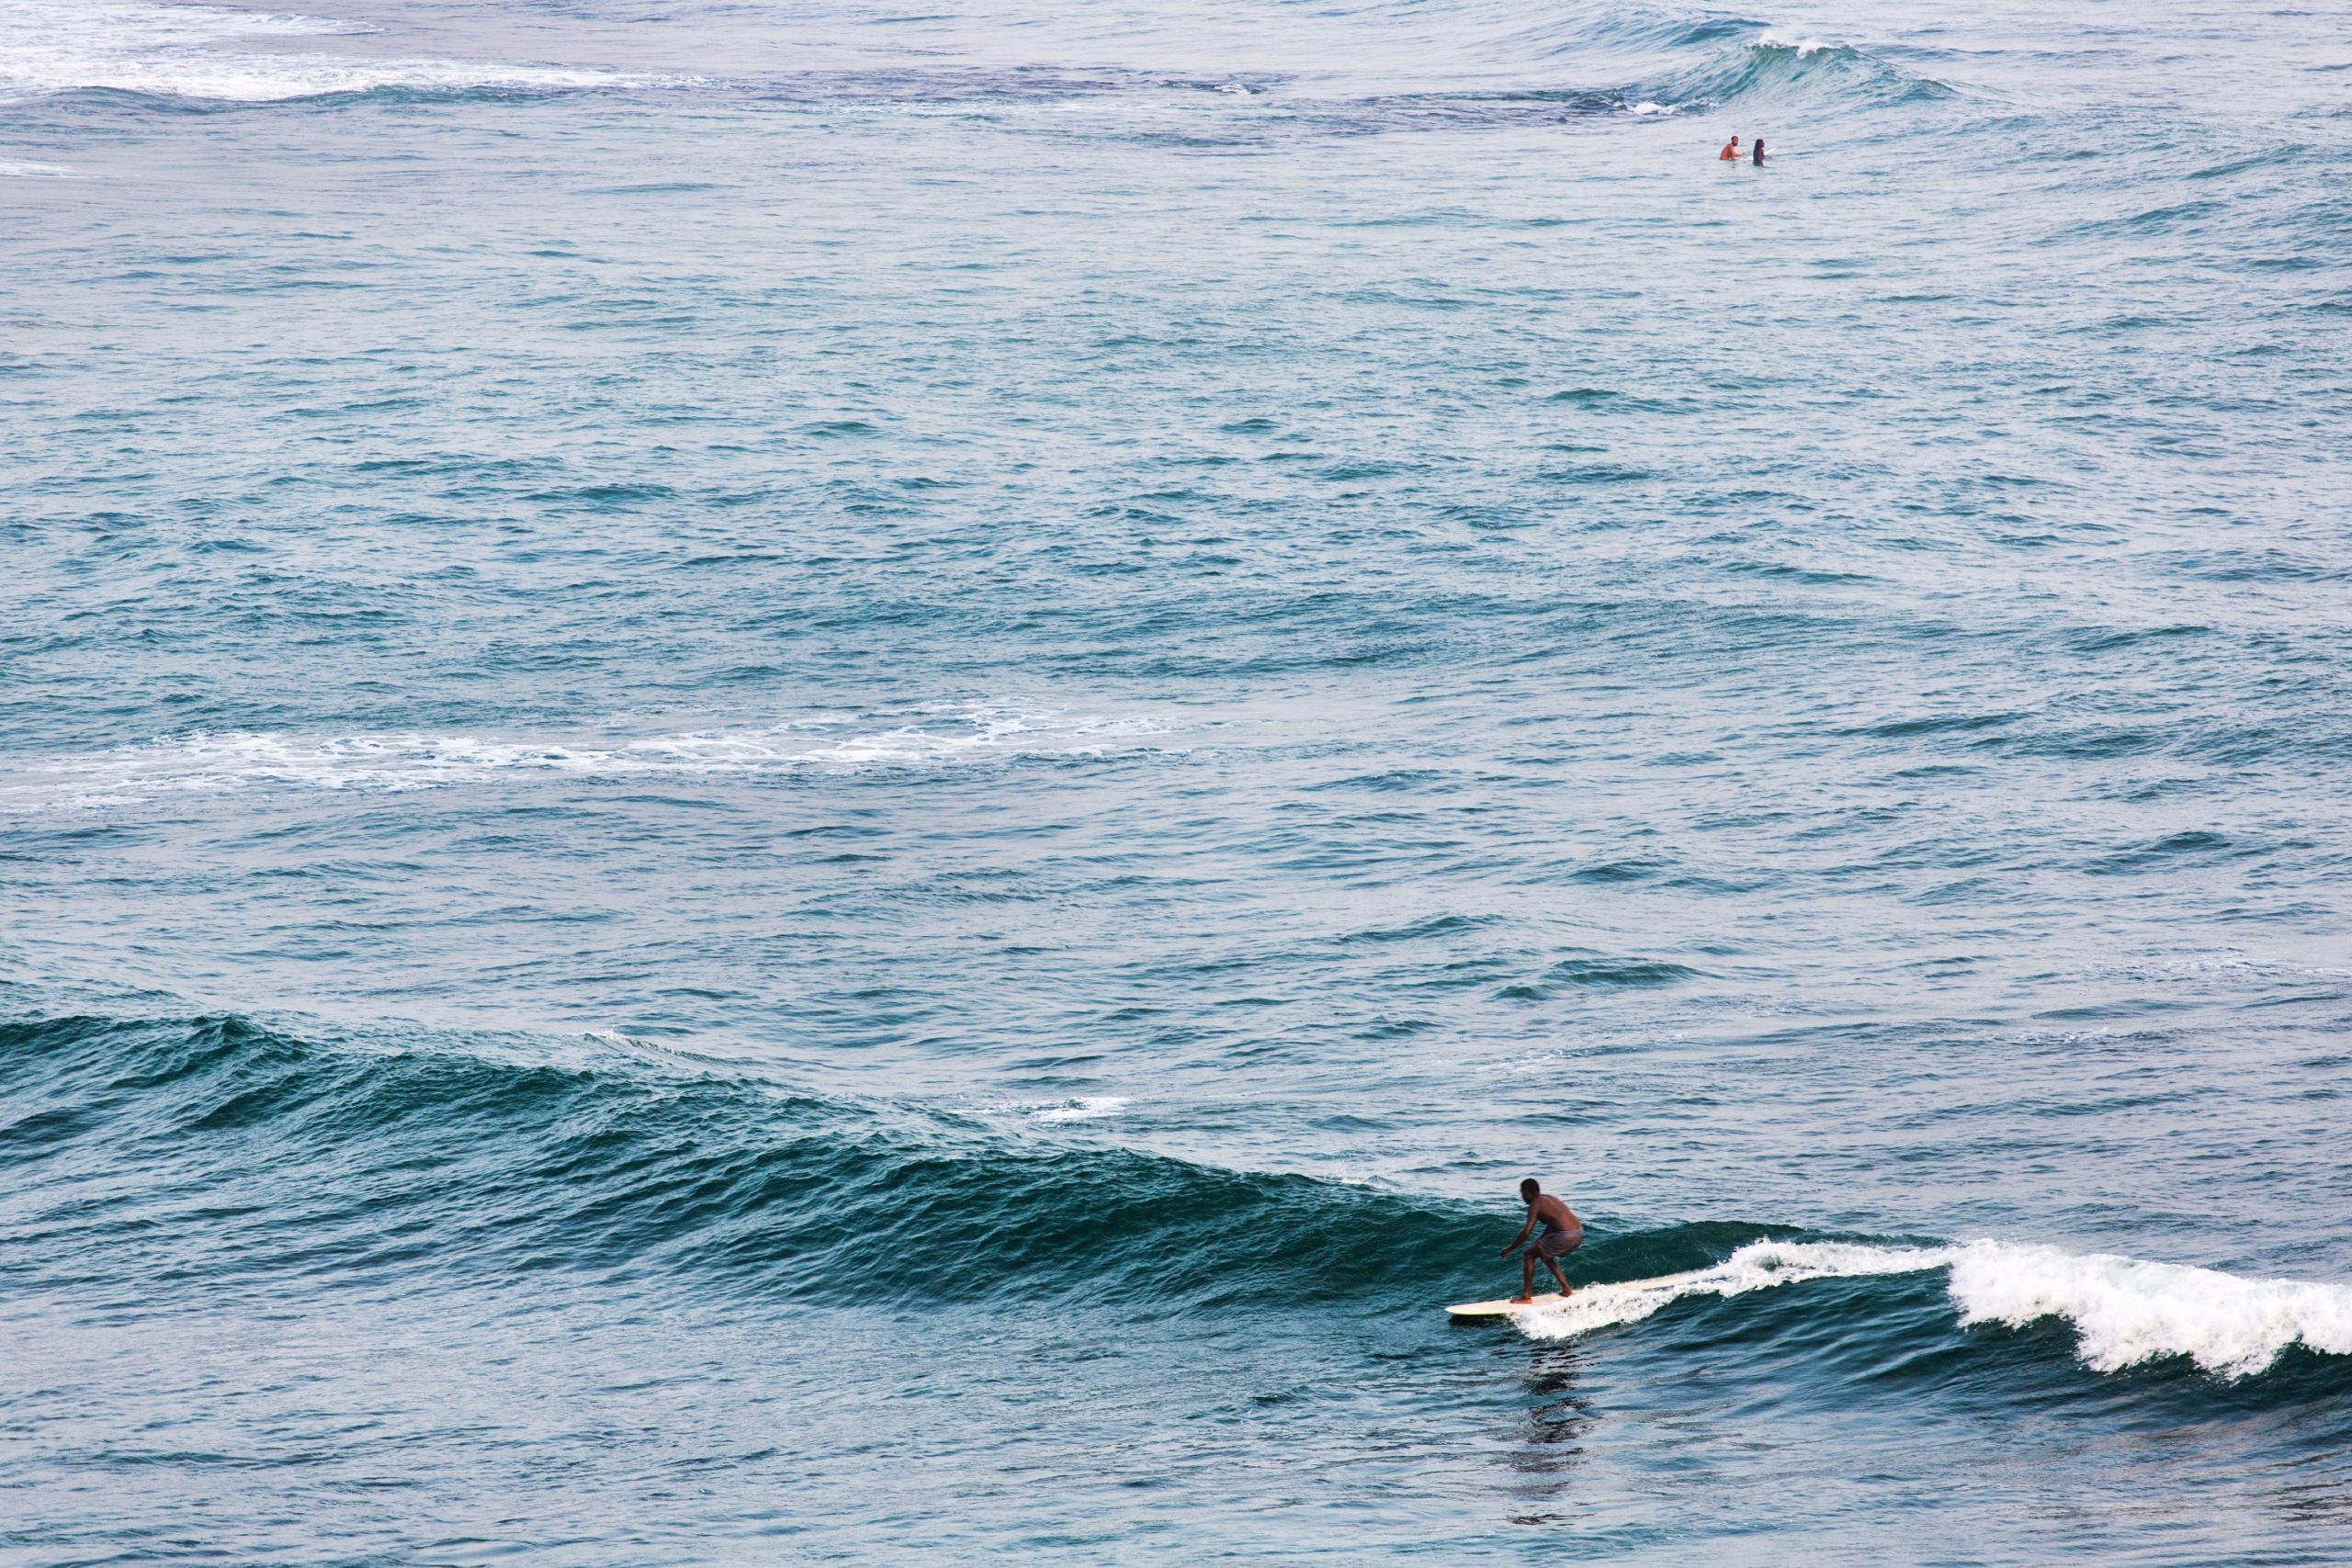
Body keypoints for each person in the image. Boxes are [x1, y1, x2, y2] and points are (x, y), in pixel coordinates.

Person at [1500, 1178, 1584, 1303]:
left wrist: (1510, 1248)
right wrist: (1539, 1241)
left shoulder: (1535, 1204)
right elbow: (1553, 1223)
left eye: (1522, 1193)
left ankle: (1526, 1297)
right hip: (1579, 1232)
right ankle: (1567, 1290)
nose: (1522, 1196)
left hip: (1565, 1235)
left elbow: (1526, 1232)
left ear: (1528, 1192)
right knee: (1545, 1256)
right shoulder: (1550, 1198)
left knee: (1528, 1254)